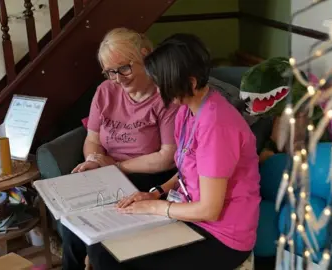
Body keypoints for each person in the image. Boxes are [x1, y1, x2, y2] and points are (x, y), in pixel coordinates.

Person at [75, 33, 261, 270]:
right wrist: (156, 192)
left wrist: (155, 207)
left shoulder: (216, 125)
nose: (158, 88)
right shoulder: (186, 109)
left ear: (191, 82)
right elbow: (186, 172)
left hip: (221, 235)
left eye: (163, 82)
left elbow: (210, 210)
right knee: (100, 248)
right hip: (187, 215)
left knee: (114, 258)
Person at [62, 28, 179, 269]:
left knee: (99, 226)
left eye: (124, 68)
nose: (118, 78)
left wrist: (115, 167)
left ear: (145, 56)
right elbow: (92, 139)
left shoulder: (166, 97)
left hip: (148, 176)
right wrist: (93, 161)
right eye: (110, 71)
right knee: (71, 221)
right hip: (106, 171)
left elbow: (167, 158)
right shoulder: (105, 91)